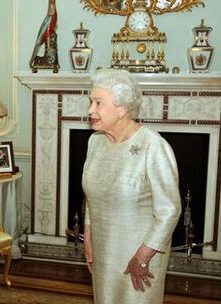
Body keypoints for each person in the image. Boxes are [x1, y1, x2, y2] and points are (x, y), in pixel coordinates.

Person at [82, 69, 181, 304]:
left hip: (140, 254)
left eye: (98, 103)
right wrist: (88, 237)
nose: (90, 110)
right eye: (90, 102)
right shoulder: (95, 142)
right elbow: (92, 194)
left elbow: (170, 211)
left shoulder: (152, 146)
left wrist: (143, 256)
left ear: (122, 109)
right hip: (104, 252)